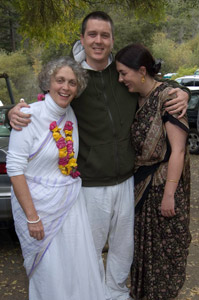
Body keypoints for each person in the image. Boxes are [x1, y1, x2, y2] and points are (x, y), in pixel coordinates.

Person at [7, 11, 190, 300]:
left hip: (128, 180)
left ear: (112, 39)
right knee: (88, 250)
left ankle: (115, 294)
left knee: (122, 248)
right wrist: (12, 113)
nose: (98, 40)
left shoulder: (122, 73)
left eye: (104, 35)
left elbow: (152, 85)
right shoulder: (75, 78)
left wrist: (182, 92)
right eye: (92, 34)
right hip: (90, 184)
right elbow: (47, 104)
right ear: (82, 38)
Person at [6, 56, 106, 300]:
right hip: (38, 211)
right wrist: (32, 218)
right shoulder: (28, 114)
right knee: (49, 272)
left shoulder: (70, 113)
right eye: (60, 80)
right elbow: (15, 169)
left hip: (70, 205)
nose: (65, 87)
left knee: (74, 267)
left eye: (72, 83)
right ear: (47, 82)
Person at [115, 43, 191, 300]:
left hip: (162, 190)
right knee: (141, 259)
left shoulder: (168, 97)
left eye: (124, 73)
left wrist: (169, 193)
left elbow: (178, 151)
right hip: (138, 190)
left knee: (163, 260)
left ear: (142, 71)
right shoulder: (133, 99)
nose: (120, 79)